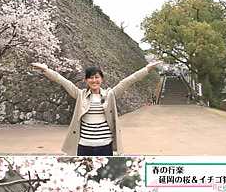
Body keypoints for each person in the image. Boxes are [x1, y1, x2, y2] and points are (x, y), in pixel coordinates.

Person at [31, 61, 161, 156]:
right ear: (86, 80)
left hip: (105, 144)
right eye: (91, 77)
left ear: (102, 79)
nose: (94, 80)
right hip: (84, 144)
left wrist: (146, 69)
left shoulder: (110, 94)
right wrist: (46, 70)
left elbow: (128, 81)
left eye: (97, 77)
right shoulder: (80, 94)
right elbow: (63, 81)